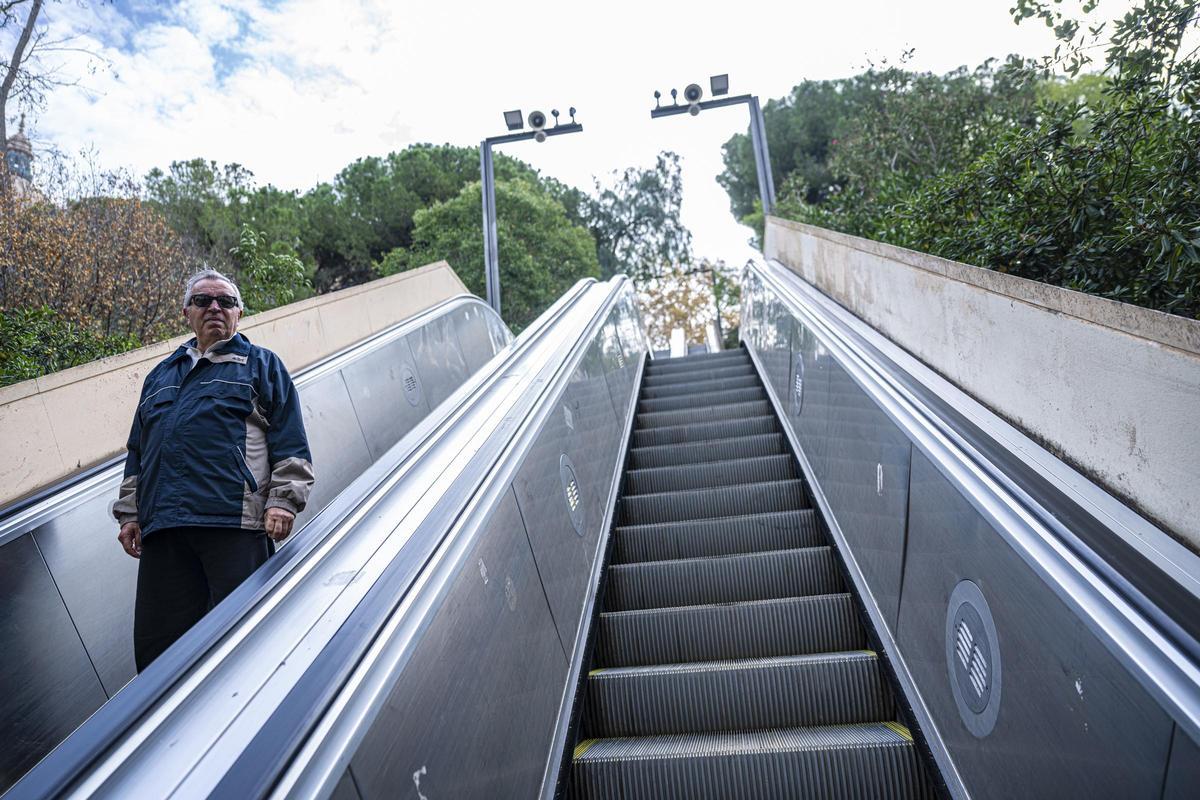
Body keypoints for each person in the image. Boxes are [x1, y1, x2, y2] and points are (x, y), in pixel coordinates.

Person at [113, 268, 315, 671]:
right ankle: (161, 726)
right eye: (203, 300)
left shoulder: (261, 366)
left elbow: (290, 439)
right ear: (187, 312)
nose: (215, 308)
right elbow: (138, 451)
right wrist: (130, 513)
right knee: (159, 649)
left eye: (226, 301)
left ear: (239, 314)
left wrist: (283, 501)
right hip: (164, 526)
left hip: (233, 524)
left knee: (245, 638)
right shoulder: (159, 376)